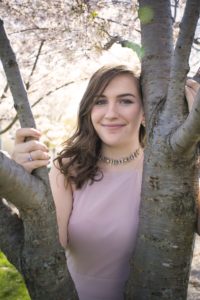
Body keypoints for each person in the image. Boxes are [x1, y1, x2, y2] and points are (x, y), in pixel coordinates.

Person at [12, 65, 199, 300]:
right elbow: (46, 250)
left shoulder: (173, 172)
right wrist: (19, 184)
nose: (110, 113)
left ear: (145, 112)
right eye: (100, 101)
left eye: (126, 101)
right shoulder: (67, 169)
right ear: (89, 110)